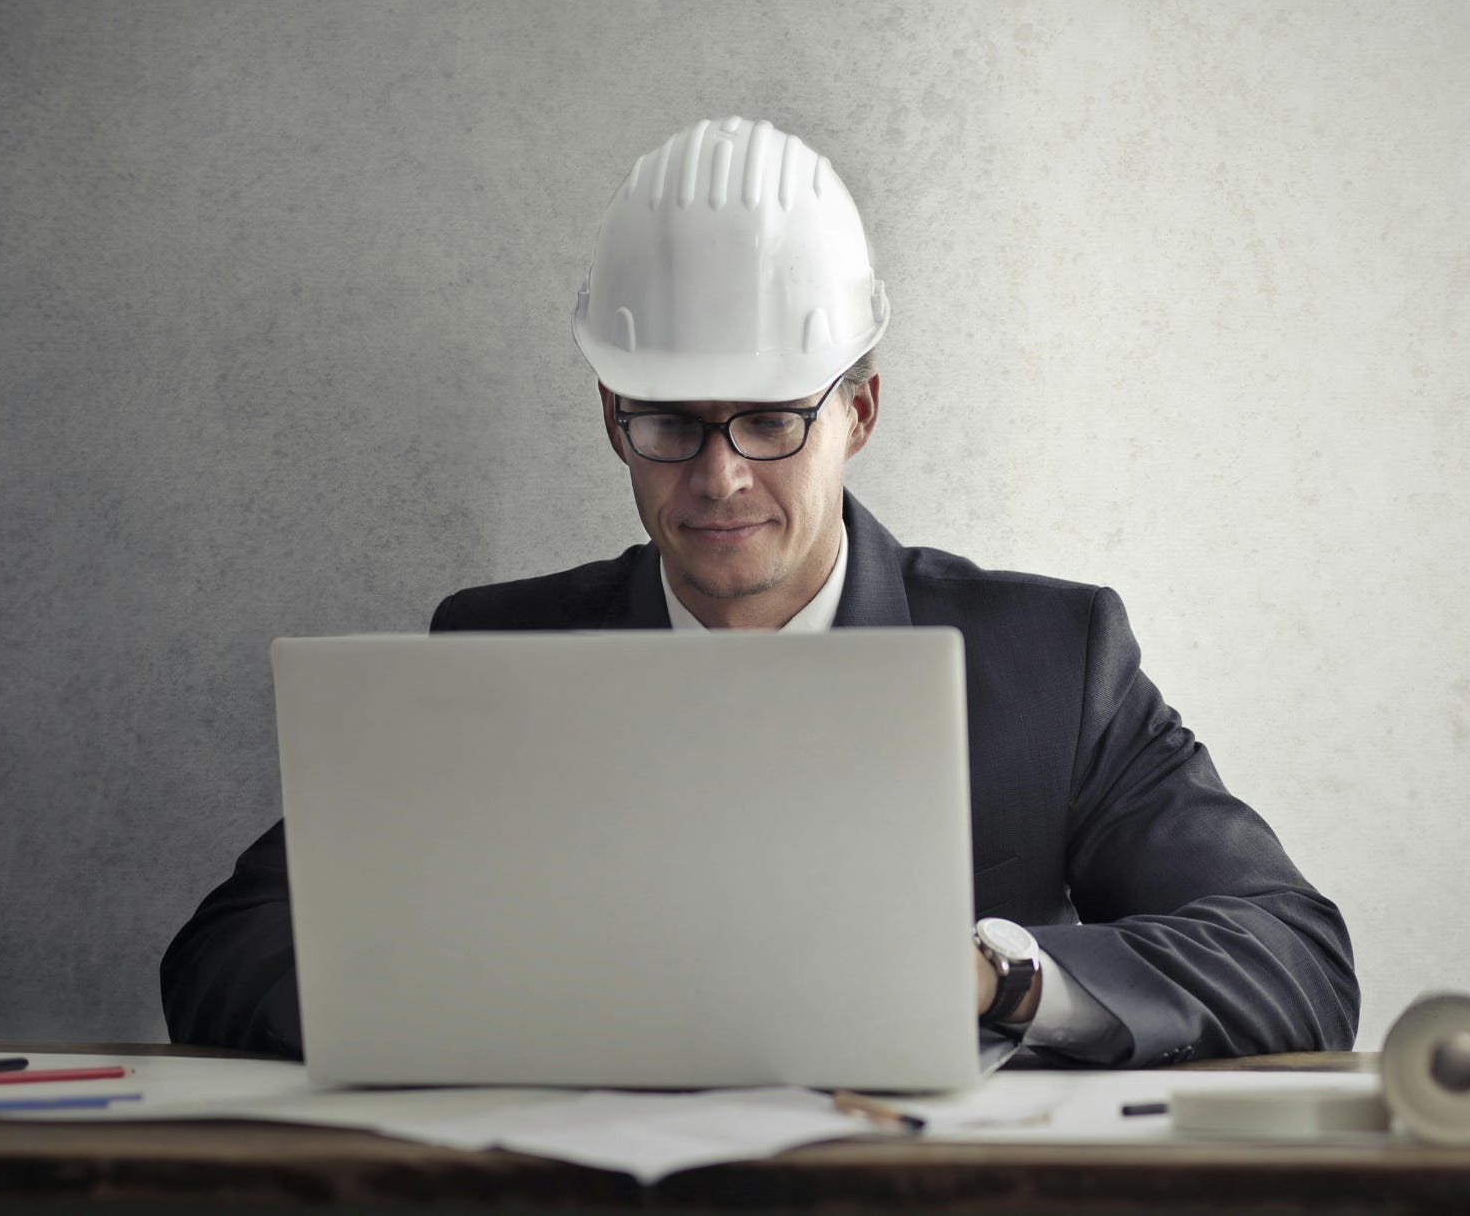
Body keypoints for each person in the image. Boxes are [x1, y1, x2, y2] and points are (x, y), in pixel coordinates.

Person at [162, 116, 1359, 1066]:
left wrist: (993, 981)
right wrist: (489, 997)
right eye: (672, 423)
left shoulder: (1052, 660)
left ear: (858, 413)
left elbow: (1290, 953)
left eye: (774, 419)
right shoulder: (494, 652)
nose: (721, 474)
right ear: (611, 421)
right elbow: (228, 953)